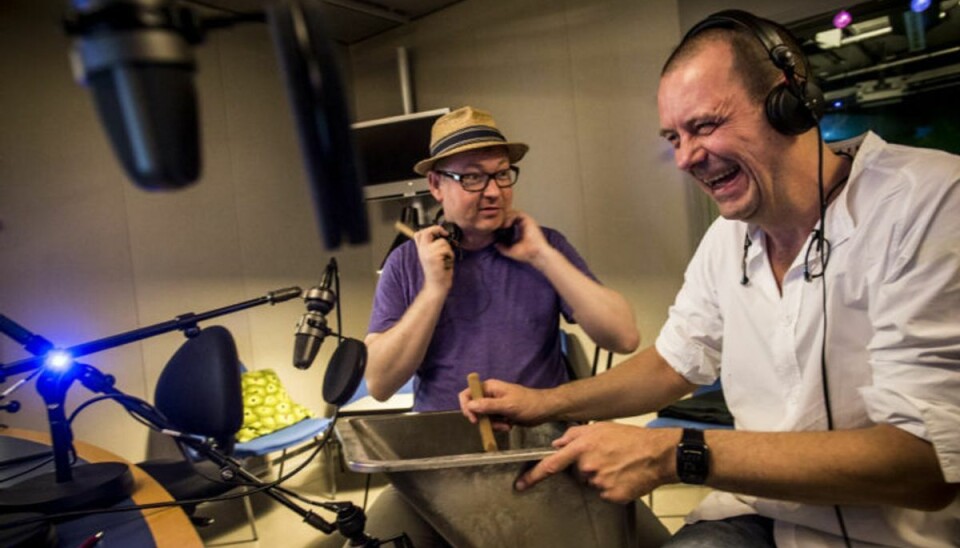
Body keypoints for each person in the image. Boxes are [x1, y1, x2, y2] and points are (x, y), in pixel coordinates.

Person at [461, 10, 959, 548]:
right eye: (673, 137)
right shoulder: (728, 237)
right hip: (762, 518)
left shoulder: (929, 202)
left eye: (704, 126)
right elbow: (677, 362)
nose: (684, 158)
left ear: (788, 103)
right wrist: (543, 403)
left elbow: (925, 461)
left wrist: (674, 453)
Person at [359, 106, 665, 547]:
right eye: (472, 177)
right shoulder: (407, 263)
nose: (493, 192)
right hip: (443, 464)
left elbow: (623, 335)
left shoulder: (546, 245)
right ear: (436, 186)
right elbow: (381, 382)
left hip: (547, 448)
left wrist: (542, 255)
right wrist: (434, 290)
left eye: (502, 174)